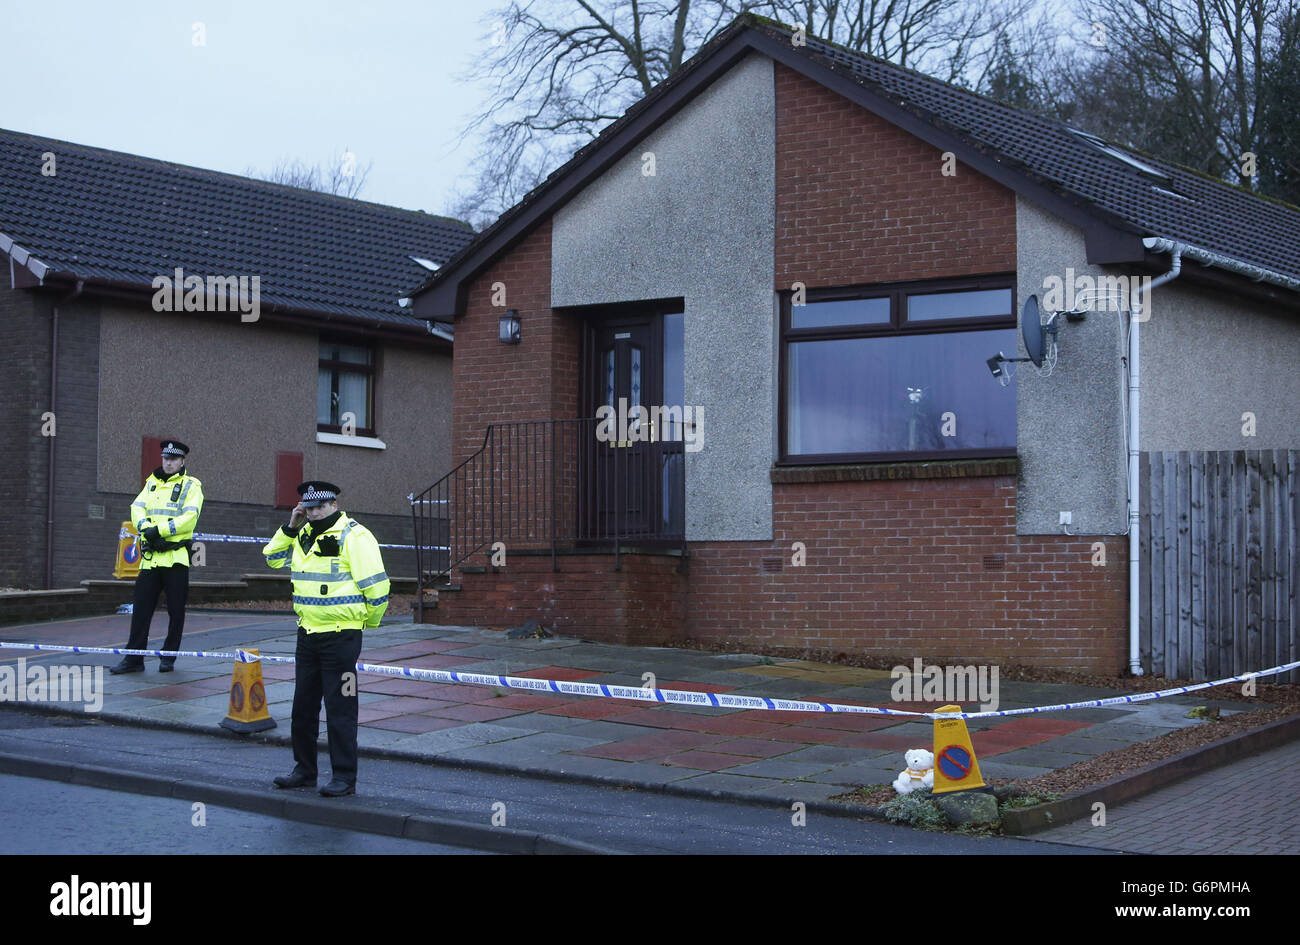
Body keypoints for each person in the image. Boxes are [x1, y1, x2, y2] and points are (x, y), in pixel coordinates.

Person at [262, 481, 389, 797]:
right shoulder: (303, 533)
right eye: (309, 508)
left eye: (320, 507)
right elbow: (272, 558)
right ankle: (304, 771)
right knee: (303, 708)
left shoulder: (355, 536)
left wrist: (362, 625)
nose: (315, 513)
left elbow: (377, 589)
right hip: (308, 635)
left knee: (340, 707)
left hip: (341, 638)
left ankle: (344, 778)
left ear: (334, 505)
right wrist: (291, 527)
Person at [111, 439, 204, 674]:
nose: (168, 463)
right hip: (151, 559)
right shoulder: (150, 483)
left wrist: (160, 531)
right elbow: (136, 507)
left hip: (175, 559)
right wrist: (145, 528)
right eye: (165, 458)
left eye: (173, 459)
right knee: (141, 610)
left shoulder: (191, 486)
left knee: (176, 612)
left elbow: (190, 518)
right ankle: (134, 659)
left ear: (182, 461)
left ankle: (168, 657)